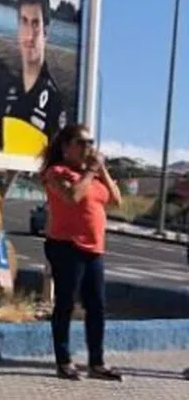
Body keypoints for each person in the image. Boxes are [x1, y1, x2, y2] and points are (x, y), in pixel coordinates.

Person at [39, 122, 123, 381]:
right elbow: (72, 197)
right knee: (65, 303)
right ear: (66, 148)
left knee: (96, 305)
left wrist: (103, 172)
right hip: (66, 245)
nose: (88, 148)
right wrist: (89, 174)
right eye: (82, 143)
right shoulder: (56, 172)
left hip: (94, 248)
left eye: (91, 143)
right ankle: (63, 361)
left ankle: (96, 362)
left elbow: (117, 201)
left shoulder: (94, 177)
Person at [4, 0, 67, 151]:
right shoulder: (4, 88)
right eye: (24, 22)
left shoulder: (54, 101)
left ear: (46, 29)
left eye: (35, 24)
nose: (29, 35)